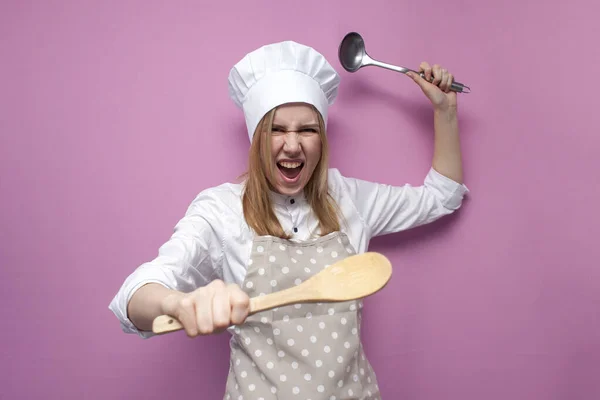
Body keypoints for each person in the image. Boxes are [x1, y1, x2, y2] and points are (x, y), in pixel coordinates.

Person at [109, 40, 469, 400]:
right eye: (276, 129)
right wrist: (178, 304)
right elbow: (134, 297)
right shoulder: (221, 210)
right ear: (255, 138)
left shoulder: (348, 198)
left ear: (322, 139)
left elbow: (442, 196)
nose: (293, 145)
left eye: (308, 130)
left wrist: (445, 111)